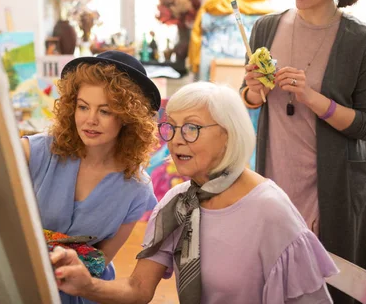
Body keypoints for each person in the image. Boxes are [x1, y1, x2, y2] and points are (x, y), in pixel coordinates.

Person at [50, 82, 338, 303]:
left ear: (228, 133)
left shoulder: (269, 209)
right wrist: (88, 285)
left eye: (191, 128)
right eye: (171, 128)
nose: (176, 141)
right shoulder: (179, 203)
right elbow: (138, 289)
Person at [240, 0, 366, 302]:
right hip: (275, 174)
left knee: (328, 286)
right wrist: (252, 93)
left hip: (332, 185)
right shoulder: (266, 27)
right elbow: (251, 98)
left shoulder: (361, 39)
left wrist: (312, 97)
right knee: (272, 278)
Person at [21, 50, 161, 304]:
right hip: (20, 284)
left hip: (79, 295)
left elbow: (101, 261)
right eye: (83, 107)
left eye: (105, 111)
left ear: (128, 119)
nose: (90, 120)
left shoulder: (137, 189)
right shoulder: (38, 151)